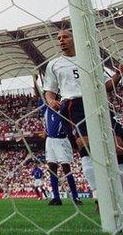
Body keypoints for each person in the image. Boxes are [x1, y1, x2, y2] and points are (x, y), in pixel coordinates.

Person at [42, 29, 123, 208]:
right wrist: (51, 100)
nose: (61, 40)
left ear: (74, 38)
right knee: (87, 149)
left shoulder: (90, 60)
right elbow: (49, 91)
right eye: (59, 38)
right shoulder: (54, 64)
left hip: (97, 103)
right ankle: (99, 197)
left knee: (119, 147)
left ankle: (119, 195)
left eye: (65, 37)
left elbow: (105, 86)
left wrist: (118, 75)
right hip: (73, 106)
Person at [33, 73, 80, 205]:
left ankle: (75, 197)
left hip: (61, 140)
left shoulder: (64, 108)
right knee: (51, 168)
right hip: (50, 141)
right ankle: (56, 198)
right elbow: (39, 95)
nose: (50, 99)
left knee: (66, 169)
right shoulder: (46, 108)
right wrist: (34, 81)